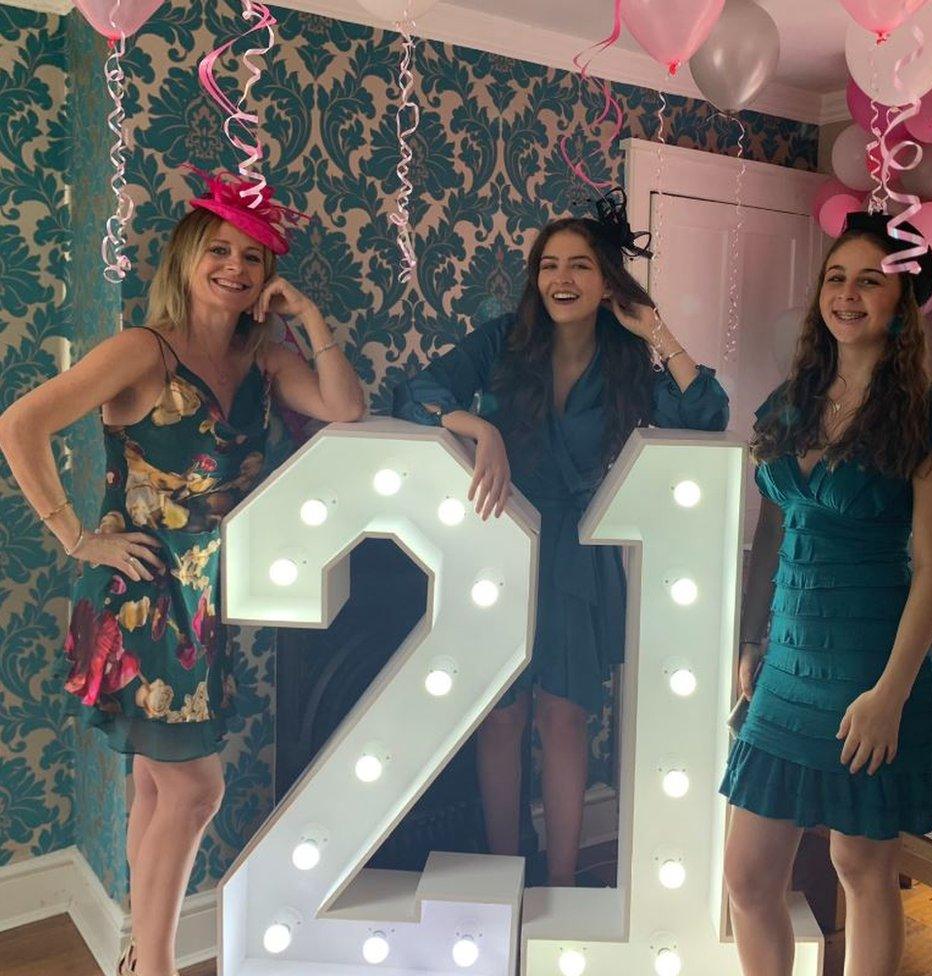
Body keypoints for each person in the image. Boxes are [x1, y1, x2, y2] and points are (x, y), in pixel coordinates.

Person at [0, 168, 364, 976]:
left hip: (206, 600)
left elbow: (345, 407)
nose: (236, 268)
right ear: (188, 254)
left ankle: (137, 955)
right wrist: (75, 536)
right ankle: (156, 965)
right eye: (221, 250)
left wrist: (307, 318)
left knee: (159, 791)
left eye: (256, 259)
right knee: (195, 790)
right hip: (139, 598)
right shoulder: (142, 351)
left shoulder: (264, 356)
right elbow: (20, 424)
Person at [393, 189, 729, 886]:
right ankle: (504, 873)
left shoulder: (630, 359)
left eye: (580, 265)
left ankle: (566, 883)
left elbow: (705, 417)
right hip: (502, 537)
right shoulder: (503, 341)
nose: (562, 279)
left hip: (579, 549)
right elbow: (415, 393)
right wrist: (478, 426)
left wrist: (658, 332)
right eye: (549, 265)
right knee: (500, 716)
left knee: (565, 717)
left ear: (606, 282)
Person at [720, 211, 932, 976]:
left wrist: (892, 694)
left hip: (872, 671)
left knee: (863, 872)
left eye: (870, 280)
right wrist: (753, 641)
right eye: (836, 277)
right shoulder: (792, 401)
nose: (847, 294)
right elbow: (773, 533)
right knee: (747, 876)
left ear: (902, 304)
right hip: (786, 674)